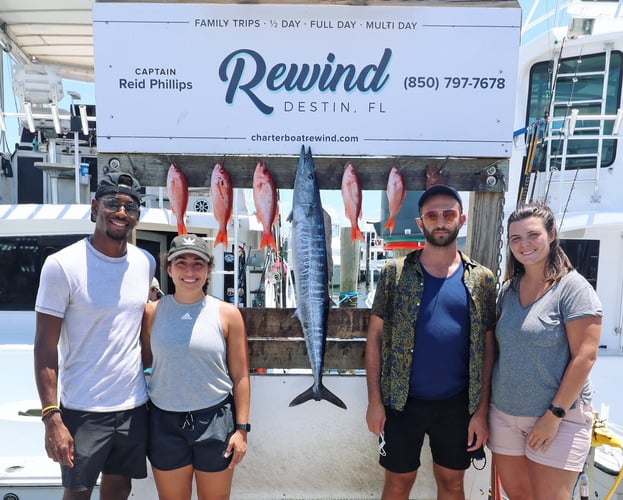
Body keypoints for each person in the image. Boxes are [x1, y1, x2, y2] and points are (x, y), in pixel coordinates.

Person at [365, 184, 497, 500]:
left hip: (457, 404)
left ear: (461, 219)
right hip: (401, 403)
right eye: (432, 215)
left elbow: (488, 348)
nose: (440, 221)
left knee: (452, 484)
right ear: (421, 221)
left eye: (448, 213)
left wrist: (480, 412)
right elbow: (374, 338)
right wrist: (374, 401)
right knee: (397, 483)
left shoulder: (482, 279)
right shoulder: (395, 273)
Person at [34, 172, 156, 499]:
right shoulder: (61, 265)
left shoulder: (146, 262)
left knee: (120, 490)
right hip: (82, 409)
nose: (121, 213)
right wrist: (51, 418)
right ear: (95, 206)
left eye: (130, 207)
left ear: (137, 216)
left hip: (133, 405)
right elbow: (45, 348)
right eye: (112, 203)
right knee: (77, 493)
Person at [488, 202, 602, 500]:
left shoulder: (573, 289)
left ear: (551, 234)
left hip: (558, 420)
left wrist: (554, 415)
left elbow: (586, 356)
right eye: (516, 238)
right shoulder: (507, 291)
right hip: (503, 418)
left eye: (533, 235)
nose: (524, 244)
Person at [141, 234, 250, 500]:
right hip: (163, 422)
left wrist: (241, 429)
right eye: (181, 262)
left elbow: (240, 375)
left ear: (209, 268)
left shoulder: (227, 314)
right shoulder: (151, 313)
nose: (190, 271)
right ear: (169, 268)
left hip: (215, 420)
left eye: (198, 263)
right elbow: (145, 362)